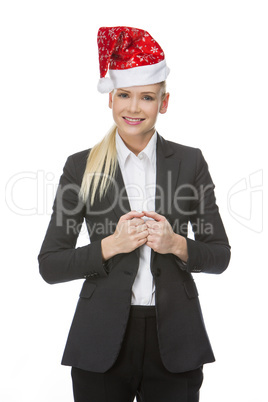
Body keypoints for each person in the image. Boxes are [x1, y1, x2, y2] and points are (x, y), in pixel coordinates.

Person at [38, 26, 231, 402]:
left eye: (146, 97)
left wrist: (177, 244)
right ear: (110, 98)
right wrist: (110, 246)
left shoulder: (190, 162)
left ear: (164, 102)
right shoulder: (81, 167)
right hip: (101, 341)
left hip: (175, 341)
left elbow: (220, 255)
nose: (133, 107)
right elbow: (50, 264)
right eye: (124, 95)